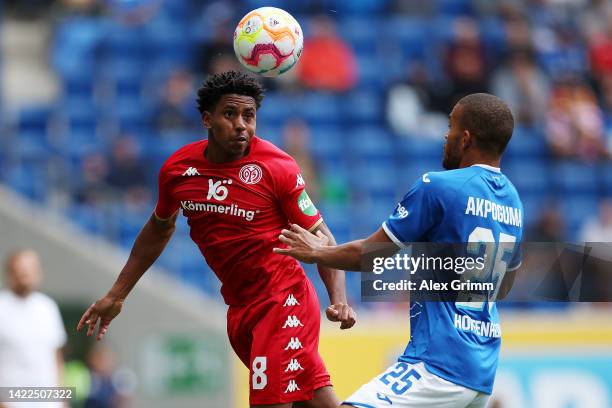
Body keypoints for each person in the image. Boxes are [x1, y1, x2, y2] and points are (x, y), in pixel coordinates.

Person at [77, 71, 356, 408]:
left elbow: (320, 237)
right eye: (230, 114)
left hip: (284, 301)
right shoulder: (178, 171)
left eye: (249, 116)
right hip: (240, 310)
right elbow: (158, 228)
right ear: (207, 119)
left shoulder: (277, 167)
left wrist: (338, 298)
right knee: (316, 401)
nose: (241, 125)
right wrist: (116, 294)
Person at [275, 93, 523, 408]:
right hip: (482, 368)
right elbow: (505, 285)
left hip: (439, 363)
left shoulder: (439, 187)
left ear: (466, 138)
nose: (445, 136)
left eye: (450, 126)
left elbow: (370, 255)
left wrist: (315, 252)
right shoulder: (513, 200)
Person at [0, 249, 67, 408]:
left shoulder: (48, 307)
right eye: (21, 270)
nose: (26, 275)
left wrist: (63, 399)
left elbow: (56, 357)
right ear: (10, 273)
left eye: (31, 269)